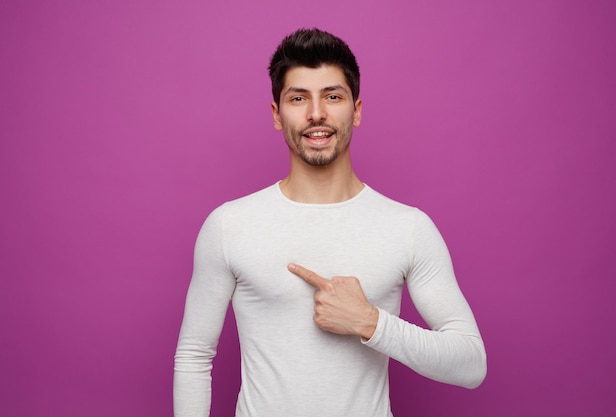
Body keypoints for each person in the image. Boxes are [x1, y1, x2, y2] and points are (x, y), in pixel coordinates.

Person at [174, 28, 486, 417]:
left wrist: (371, 322)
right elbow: (194, 355)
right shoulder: (228, 225)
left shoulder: (408, 228)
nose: (316, 113)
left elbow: (471, 365)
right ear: (277, 113)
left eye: (333, 97)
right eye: (298, 97)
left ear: (356, 110)